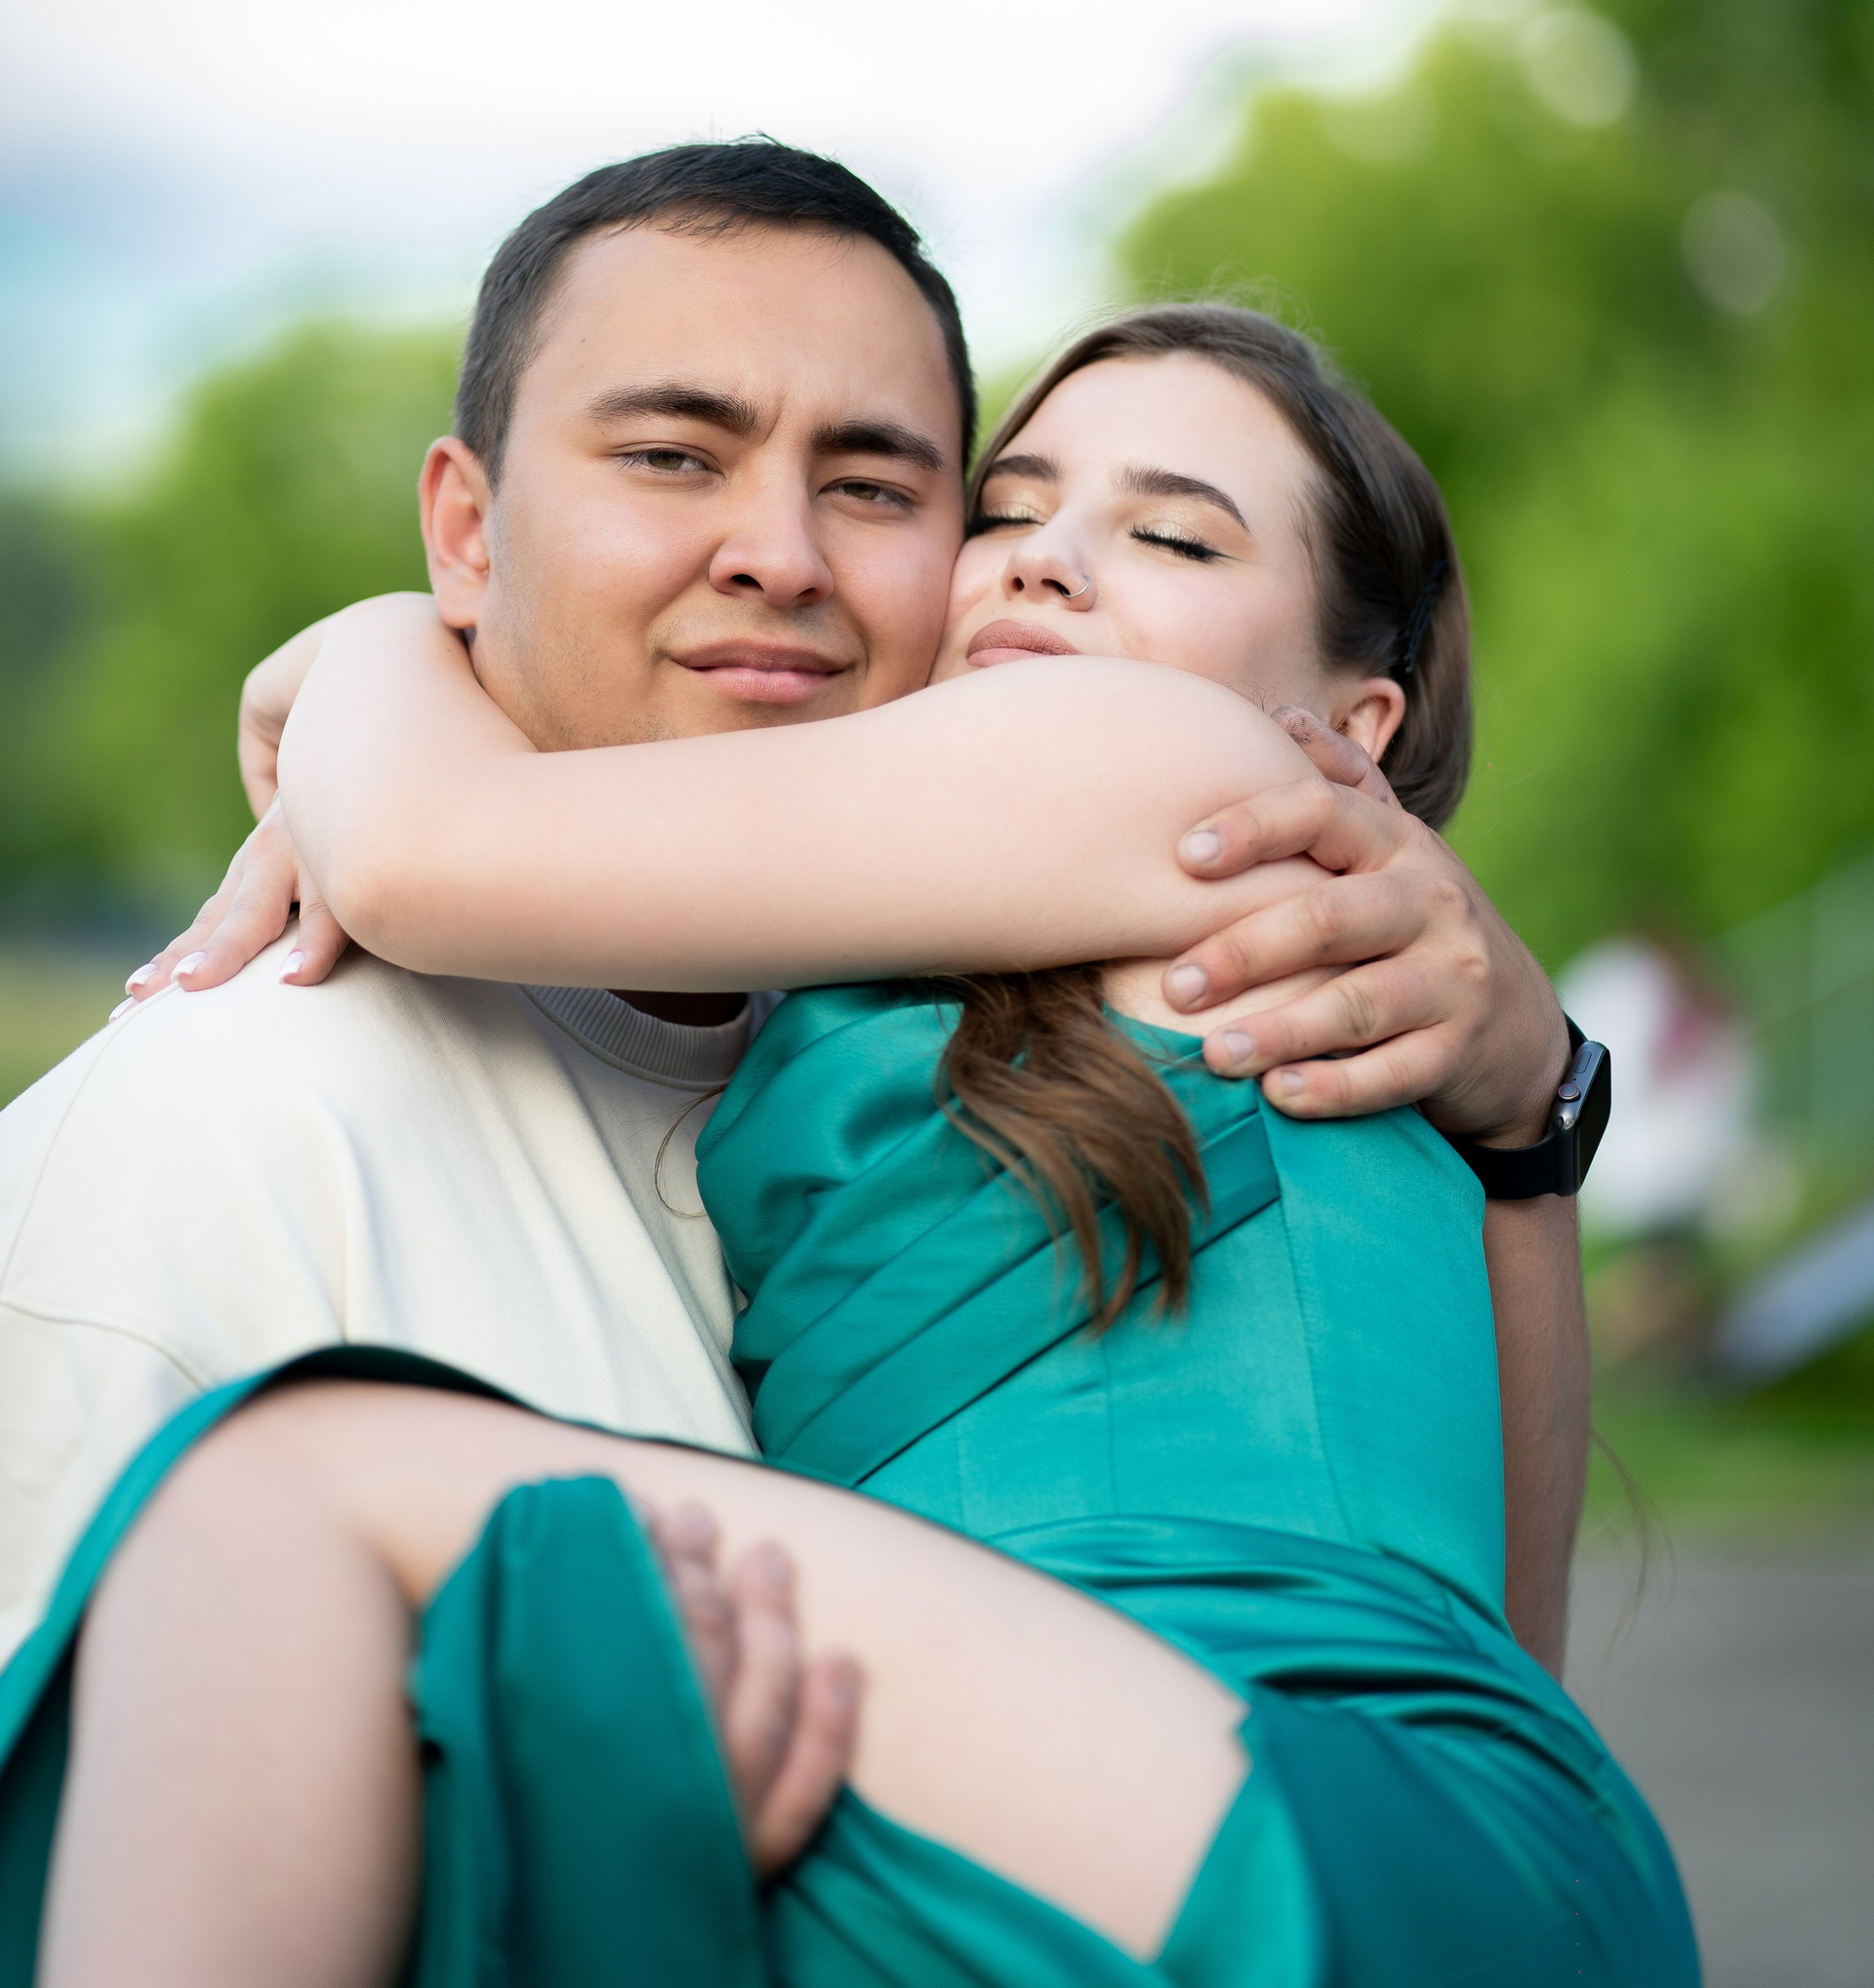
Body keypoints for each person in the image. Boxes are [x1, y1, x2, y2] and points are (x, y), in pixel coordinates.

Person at [0, 301, 1694, 1987]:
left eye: (1173, 535)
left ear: (1360, 722)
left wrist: (374, 643)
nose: (1049, 565)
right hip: (1262, 1838)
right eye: (1009, 510)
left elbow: (416, 854)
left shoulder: (1192, 764)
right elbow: (1509, 1645)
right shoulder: (1320, 1008)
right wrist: (1533, 1121)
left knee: (272, 1503)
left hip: (1267, 1784)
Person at [0, 146, 1584, 1668]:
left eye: (877, 486)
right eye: (673, 457)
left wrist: (364, 656)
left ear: (1357, 723)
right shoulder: (234, 1121)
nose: (781, 554)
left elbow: (1477, 1663)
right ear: (470, 531)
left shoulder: (1192, 840)